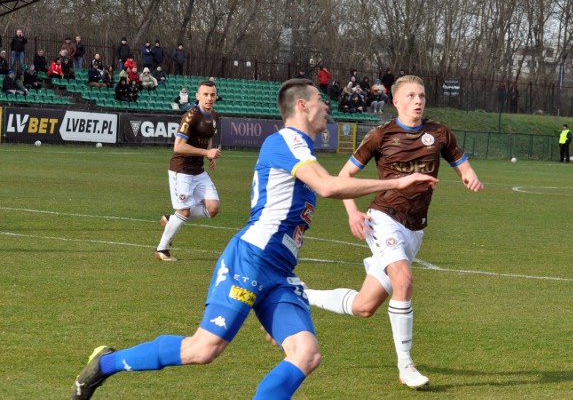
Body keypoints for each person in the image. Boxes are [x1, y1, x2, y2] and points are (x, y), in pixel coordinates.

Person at [70, 78, 437, 400]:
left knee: (306, 354)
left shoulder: (301, 148)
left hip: (278, 271)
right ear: (302, 106)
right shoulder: (286, 141)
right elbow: (328, 187)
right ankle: (105, 364)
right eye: (321, 101)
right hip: (251, 260)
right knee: (204, 349)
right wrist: (396, 182)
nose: (328, 108)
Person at [304, 75, 484, 389]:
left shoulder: (439, 132)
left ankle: (302, 295)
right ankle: (406, 365)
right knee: (404, 279)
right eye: (411, 96)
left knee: (364, 306)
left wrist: (470, 177)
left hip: (415, 229)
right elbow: (343, 177)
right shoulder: (380, 135)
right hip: (383, 218)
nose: (418, 101)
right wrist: (352, 212)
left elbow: (461, 163)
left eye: (422, 95)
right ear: (396, 101)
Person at [155, 80, 221, 262]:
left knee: (213, 208)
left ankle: (171, 218)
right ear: (198, 96)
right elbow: (178, 146)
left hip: (197, 170)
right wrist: (206, 152)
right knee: (183, 212)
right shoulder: (190, 117)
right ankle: (162, 249)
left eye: (212, 95)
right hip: (181, 169)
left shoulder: (214, 116)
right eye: (205, 94)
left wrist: (210, 155)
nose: (209, 98)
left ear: (216, 97)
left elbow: (207, 137)